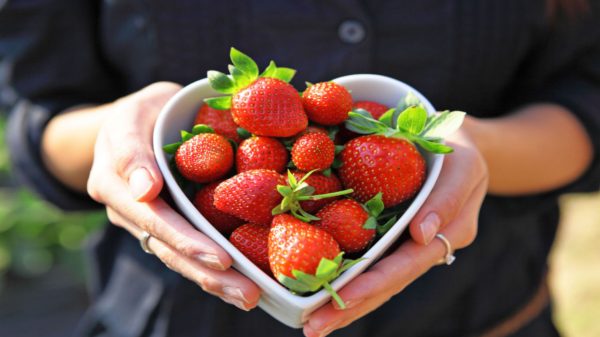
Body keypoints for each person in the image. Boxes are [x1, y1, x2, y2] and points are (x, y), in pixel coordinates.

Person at [1, 1, 598, 336]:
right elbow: (43, 116)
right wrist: (120, 136)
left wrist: (475, 147)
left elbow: (587, 98)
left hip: (480, 315)